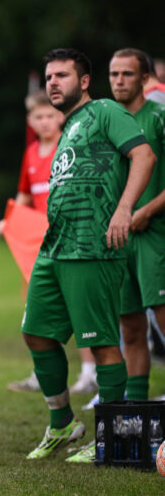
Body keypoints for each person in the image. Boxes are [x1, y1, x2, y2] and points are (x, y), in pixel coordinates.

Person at [21, 48, 155, 463]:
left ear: (83, 81)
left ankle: (109, 439)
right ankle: (61, 423)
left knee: (101, 344)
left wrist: (123, 209)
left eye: (62, 75)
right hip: (56, 247)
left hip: (92, 248)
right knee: (37, 333)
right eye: (49, 77)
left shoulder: (104, 111)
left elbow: (144, 155)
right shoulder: (71, 125)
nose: (53, 83)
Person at [1, 92, 98, 396]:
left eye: (48, 116)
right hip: (38, 244)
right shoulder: (31, 153)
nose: (44, 122)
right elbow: (25, 195)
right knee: (37, 307)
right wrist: (11, 220)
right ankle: (41, 372)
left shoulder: (68, 145)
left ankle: (89, 373)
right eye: (37, 117)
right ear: (30, 120)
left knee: (78, 306)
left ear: (60, 117)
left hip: (69, 239)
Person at [109, 48, 165, 402]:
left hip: (155, 232)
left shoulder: (158, 117)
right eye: (114, 74)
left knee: (162, 318)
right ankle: (135, 409)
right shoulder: (105, 119)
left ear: (146, 79)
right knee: (130, 327)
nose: (118, 81)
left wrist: (148, 211)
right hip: (119, 237)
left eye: (127, 74)